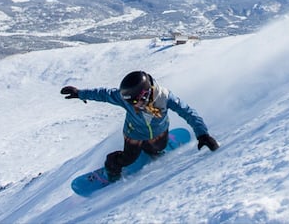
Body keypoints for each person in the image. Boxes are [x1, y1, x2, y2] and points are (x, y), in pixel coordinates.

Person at [61, 70, 219, 181]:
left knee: (157, 148)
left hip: (159, 132)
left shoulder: (165, 98)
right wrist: (80, 93)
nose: (132, 105)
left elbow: (188, 112)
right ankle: (112, 166)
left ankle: (151, 149)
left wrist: (203, 134)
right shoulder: (126, 98)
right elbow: (104, 94)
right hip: (134, 134)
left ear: (145, 94)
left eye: (134, 102)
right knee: (128, 158)